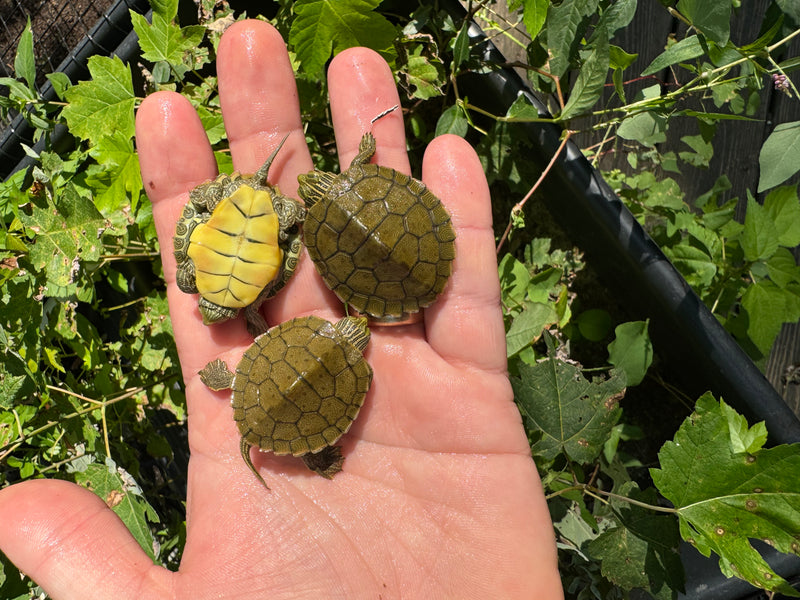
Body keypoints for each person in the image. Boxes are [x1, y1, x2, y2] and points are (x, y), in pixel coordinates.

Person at [0, 21, 563, 599]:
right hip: (273, 266)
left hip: (273, 274)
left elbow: (286, 290)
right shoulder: (318, 301)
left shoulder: (316, 304)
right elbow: (289, 277)